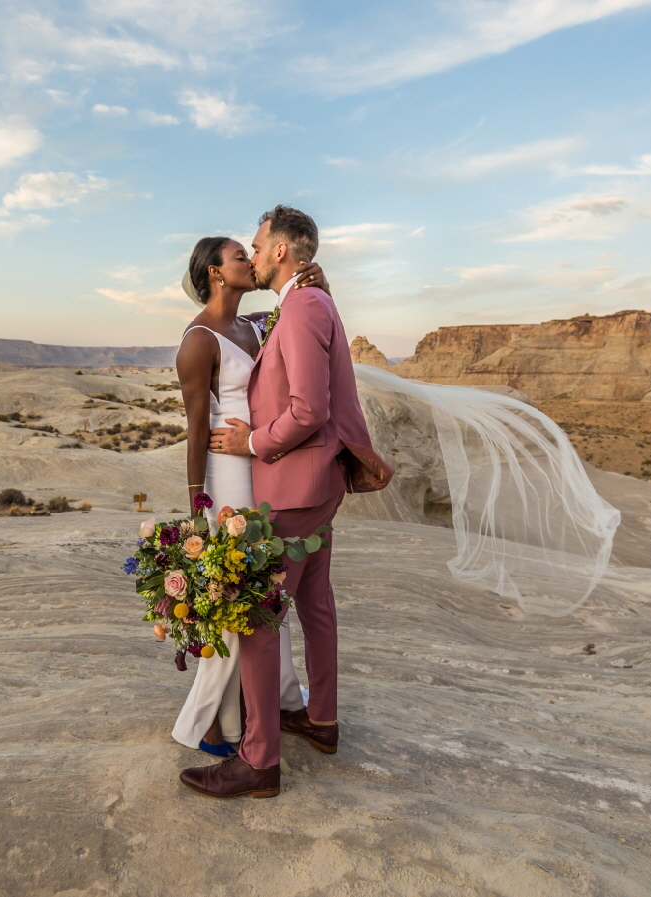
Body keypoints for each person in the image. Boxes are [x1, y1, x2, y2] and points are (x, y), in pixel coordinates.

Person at [179, 206, 393, 799]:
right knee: (316, 603)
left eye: (255, 245)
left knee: (256, 618)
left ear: (279, 251)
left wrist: (250, 442)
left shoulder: (299, 307)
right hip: (320, 483)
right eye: (241, 251)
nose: (251, 254)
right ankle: (320, 720)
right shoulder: (309, 301)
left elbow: (308, 410)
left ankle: (258, 762)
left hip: (292, 486)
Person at [169, 234, 329, 759]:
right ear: (216, 273)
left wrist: (318, 282)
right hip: (227, 477)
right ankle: (205, 722)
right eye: (240, 256)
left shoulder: (255, 324)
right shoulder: (198, 341)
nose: (250, 260)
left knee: (268, 591)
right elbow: (196, 430)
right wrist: (197, 508)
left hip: (262, 465)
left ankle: (275, 705)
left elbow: (295, 315)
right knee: (239, 595)